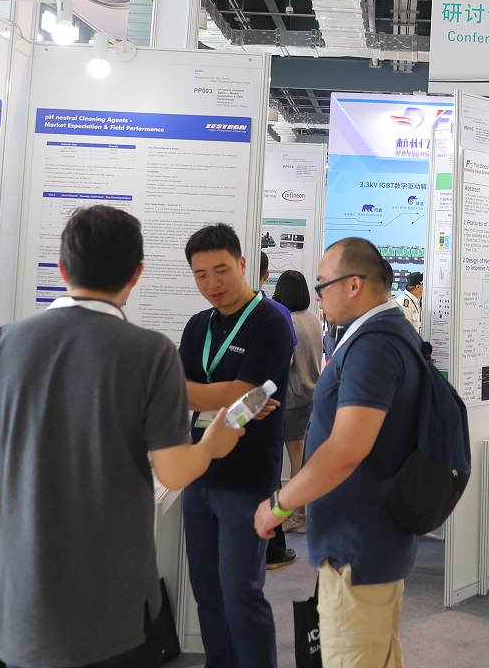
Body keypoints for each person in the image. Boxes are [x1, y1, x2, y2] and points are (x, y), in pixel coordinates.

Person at [0, 205, 243, 666]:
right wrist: (212, 443)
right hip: (118, 601)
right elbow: (174, 472)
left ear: (62, 269)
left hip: (27, 597)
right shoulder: (151, 353)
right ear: (136, 274)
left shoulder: (5, 345)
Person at [254, 237, 422, 668]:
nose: (318, 297)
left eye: (322, 285)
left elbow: (347, 448)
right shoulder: (379, 334)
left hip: (359, 544)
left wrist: (280, 504)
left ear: (353, 285)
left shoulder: (374, 345)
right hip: (365, 538)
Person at [180, 224, 295, 667]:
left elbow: (250, 392)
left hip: (247, 480)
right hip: (198, 470)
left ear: (243, 264)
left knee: (240, 593)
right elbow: (177, 393)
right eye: (201, 274)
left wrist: (221, 394)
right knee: (207, 592)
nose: (212, 283)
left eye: (222, 270)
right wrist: (232, 396)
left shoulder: (271, 321)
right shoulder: (198, 325)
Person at [274, 269, 323, 534]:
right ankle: (299, 513)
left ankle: (297, 515)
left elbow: (287, 361)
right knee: (299, 456)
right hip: (310, 394)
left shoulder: (286, 321)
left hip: (291, 397)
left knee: (294, 458)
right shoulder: (313, 318)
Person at [259, 250, 297, 567]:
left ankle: (269, 550)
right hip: (270, 408)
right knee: (269, 477)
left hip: (261, 409)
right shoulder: (279, 312)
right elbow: (289, 359)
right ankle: (272, 551)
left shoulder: (274, 312)